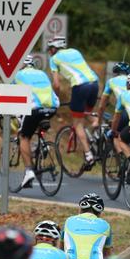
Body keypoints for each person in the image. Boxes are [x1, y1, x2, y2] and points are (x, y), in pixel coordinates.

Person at [12, 55, 61, 189]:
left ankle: (29, 171)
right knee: (36, 125)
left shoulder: (18, 75)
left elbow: (9, 97)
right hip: (52, 107)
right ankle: (42, 146)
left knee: (23, 136)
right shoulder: (42, 73)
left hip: (35, 108)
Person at [47, 37, 97, 165]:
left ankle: (88, 155)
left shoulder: (54, 59)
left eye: (50, 49)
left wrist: (55, 99)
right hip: (94, 83)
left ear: (54, 49)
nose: (49, 52)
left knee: (77, 122)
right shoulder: (75, 51)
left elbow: (57, 84)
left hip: (80, 86)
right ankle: (99, 130)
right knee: (87, 113)